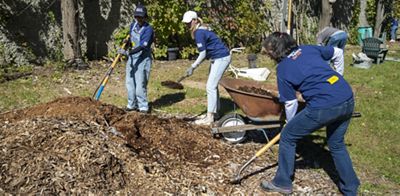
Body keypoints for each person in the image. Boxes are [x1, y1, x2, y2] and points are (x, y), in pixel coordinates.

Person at [260, 32, 359, 195]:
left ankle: (282, 182)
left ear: (275, 51)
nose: (269, 56)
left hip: (324, 106)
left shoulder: (283, 69)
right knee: (336, 143)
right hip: (346, 97)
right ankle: (351, 187)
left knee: (288, 136)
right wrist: (339, 75)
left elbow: (290, 103)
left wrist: (290, 125)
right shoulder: (307, 49)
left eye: (269, 53)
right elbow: (338, 52)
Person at [181, 11, 231, 125]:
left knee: (210, 86)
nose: (187, 25)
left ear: (194, 20)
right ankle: (215, 113)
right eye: (186, 23)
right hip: (217, 58)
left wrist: (192, 67)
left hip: (221, 58)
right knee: (212, 86)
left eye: (188, 23)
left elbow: (203, 54)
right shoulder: (201, 29)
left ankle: (210, 117)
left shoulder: (199, 33)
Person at [118, 5, 154, 113]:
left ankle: (143, 107)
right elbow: (131, 39)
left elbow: (143, 46)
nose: (139, 19)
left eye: (141, 17)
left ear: (145, 17)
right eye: (137, 17)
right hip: (132, 58)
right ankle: (131, 105)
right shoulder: (133, 25)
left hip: (143, 59)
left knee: (140, 84)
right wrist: (126, 44)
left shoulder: (148, 29)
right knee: (130, 83)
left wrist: (128, 52)